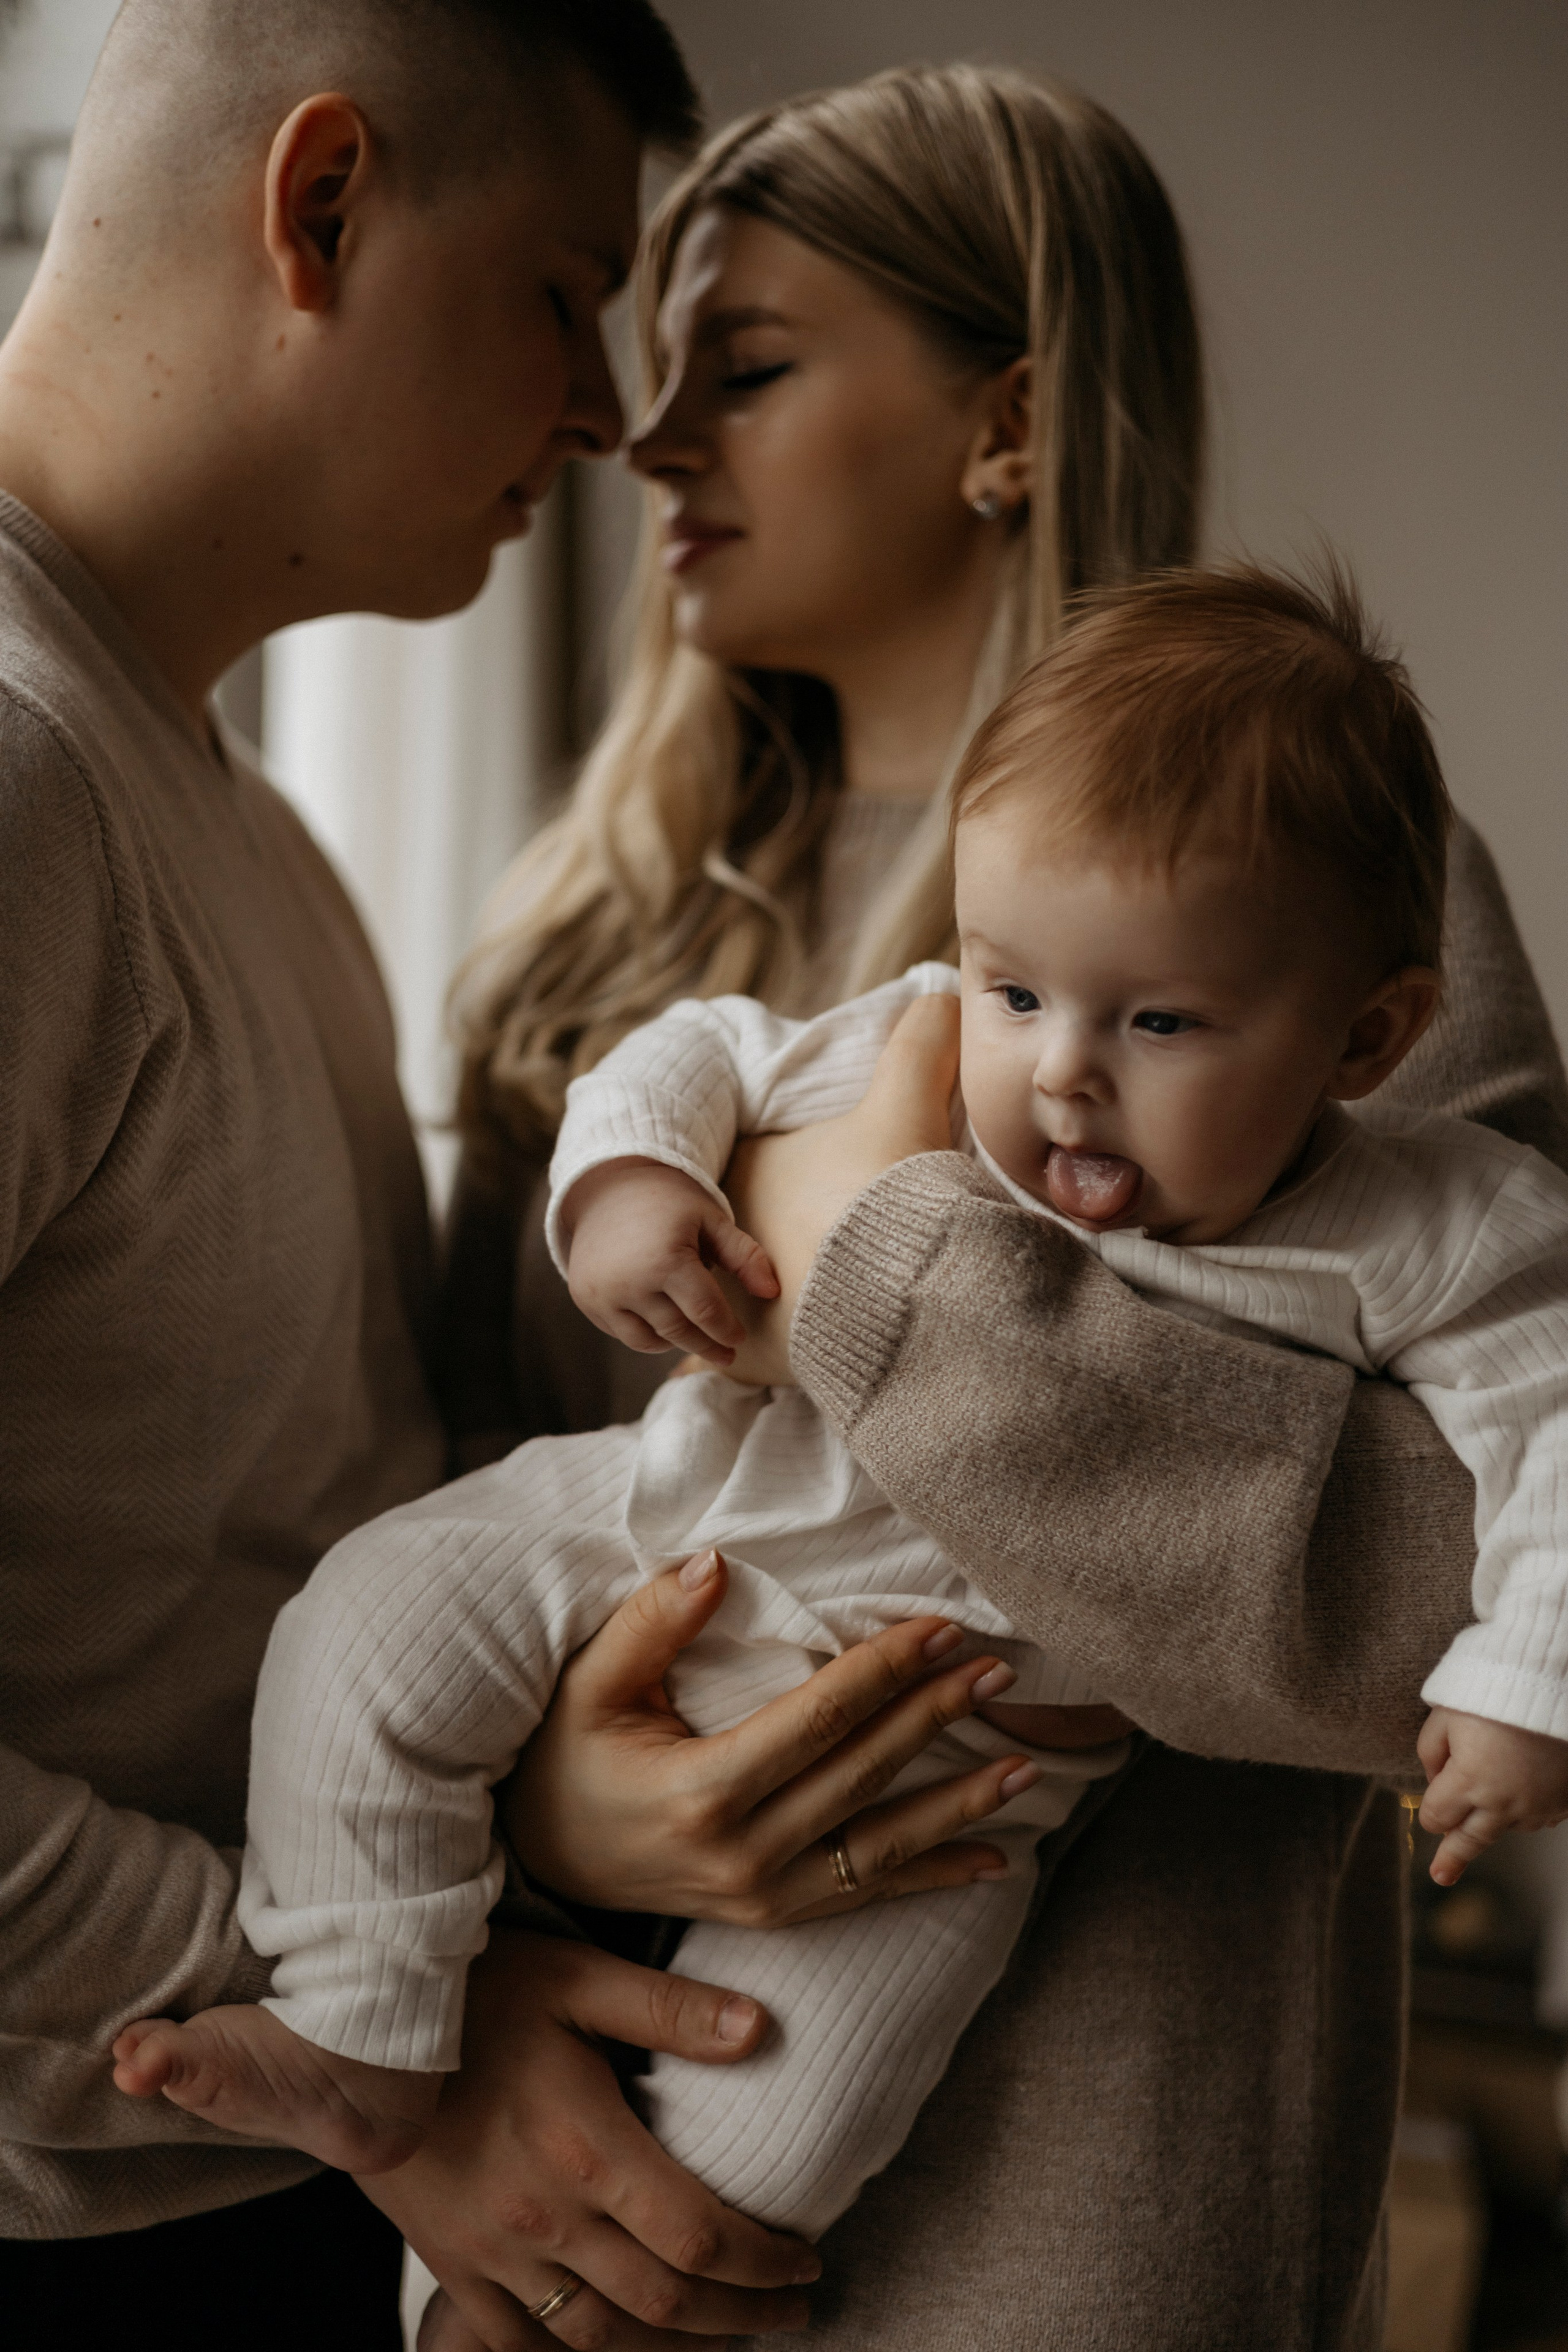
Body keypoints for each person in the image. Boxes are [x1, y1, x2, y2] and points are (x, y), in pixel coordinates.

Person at [434, 64, 1568, 2352]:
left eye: (741, 366)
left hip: (1098, 2204)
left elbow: (1444, 1592)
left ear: (1011, 421)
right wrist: (563, 1815)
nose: (646, 442)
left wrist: (880, 1260)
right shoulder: (584, 950)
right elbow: (462, 1506)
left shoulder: (1320, 910)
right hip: (593, 2130)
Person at [113, 563, 1568, 2265]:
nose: (1060, 1071)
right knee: (367, 1623)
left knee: (784, 2130)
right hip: (678, 1535)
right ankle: (357, 2024)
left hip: (963, 1785)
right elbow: (702, 1052)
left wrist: (1524, 1678)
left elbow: (1547, 1414)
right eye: (1017, 989)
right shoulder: (939, 1051)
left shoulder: (1428, 1221)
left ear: (1368, 1037)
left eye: (1159, 1022)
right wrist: (635, 1190)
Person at [1, 9, 1017, 2348]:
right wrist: (366, 2060)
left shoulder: (252, 842)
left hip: (256, 2188)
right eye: (567, 293)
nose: (602, 410)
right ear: (322, 206)